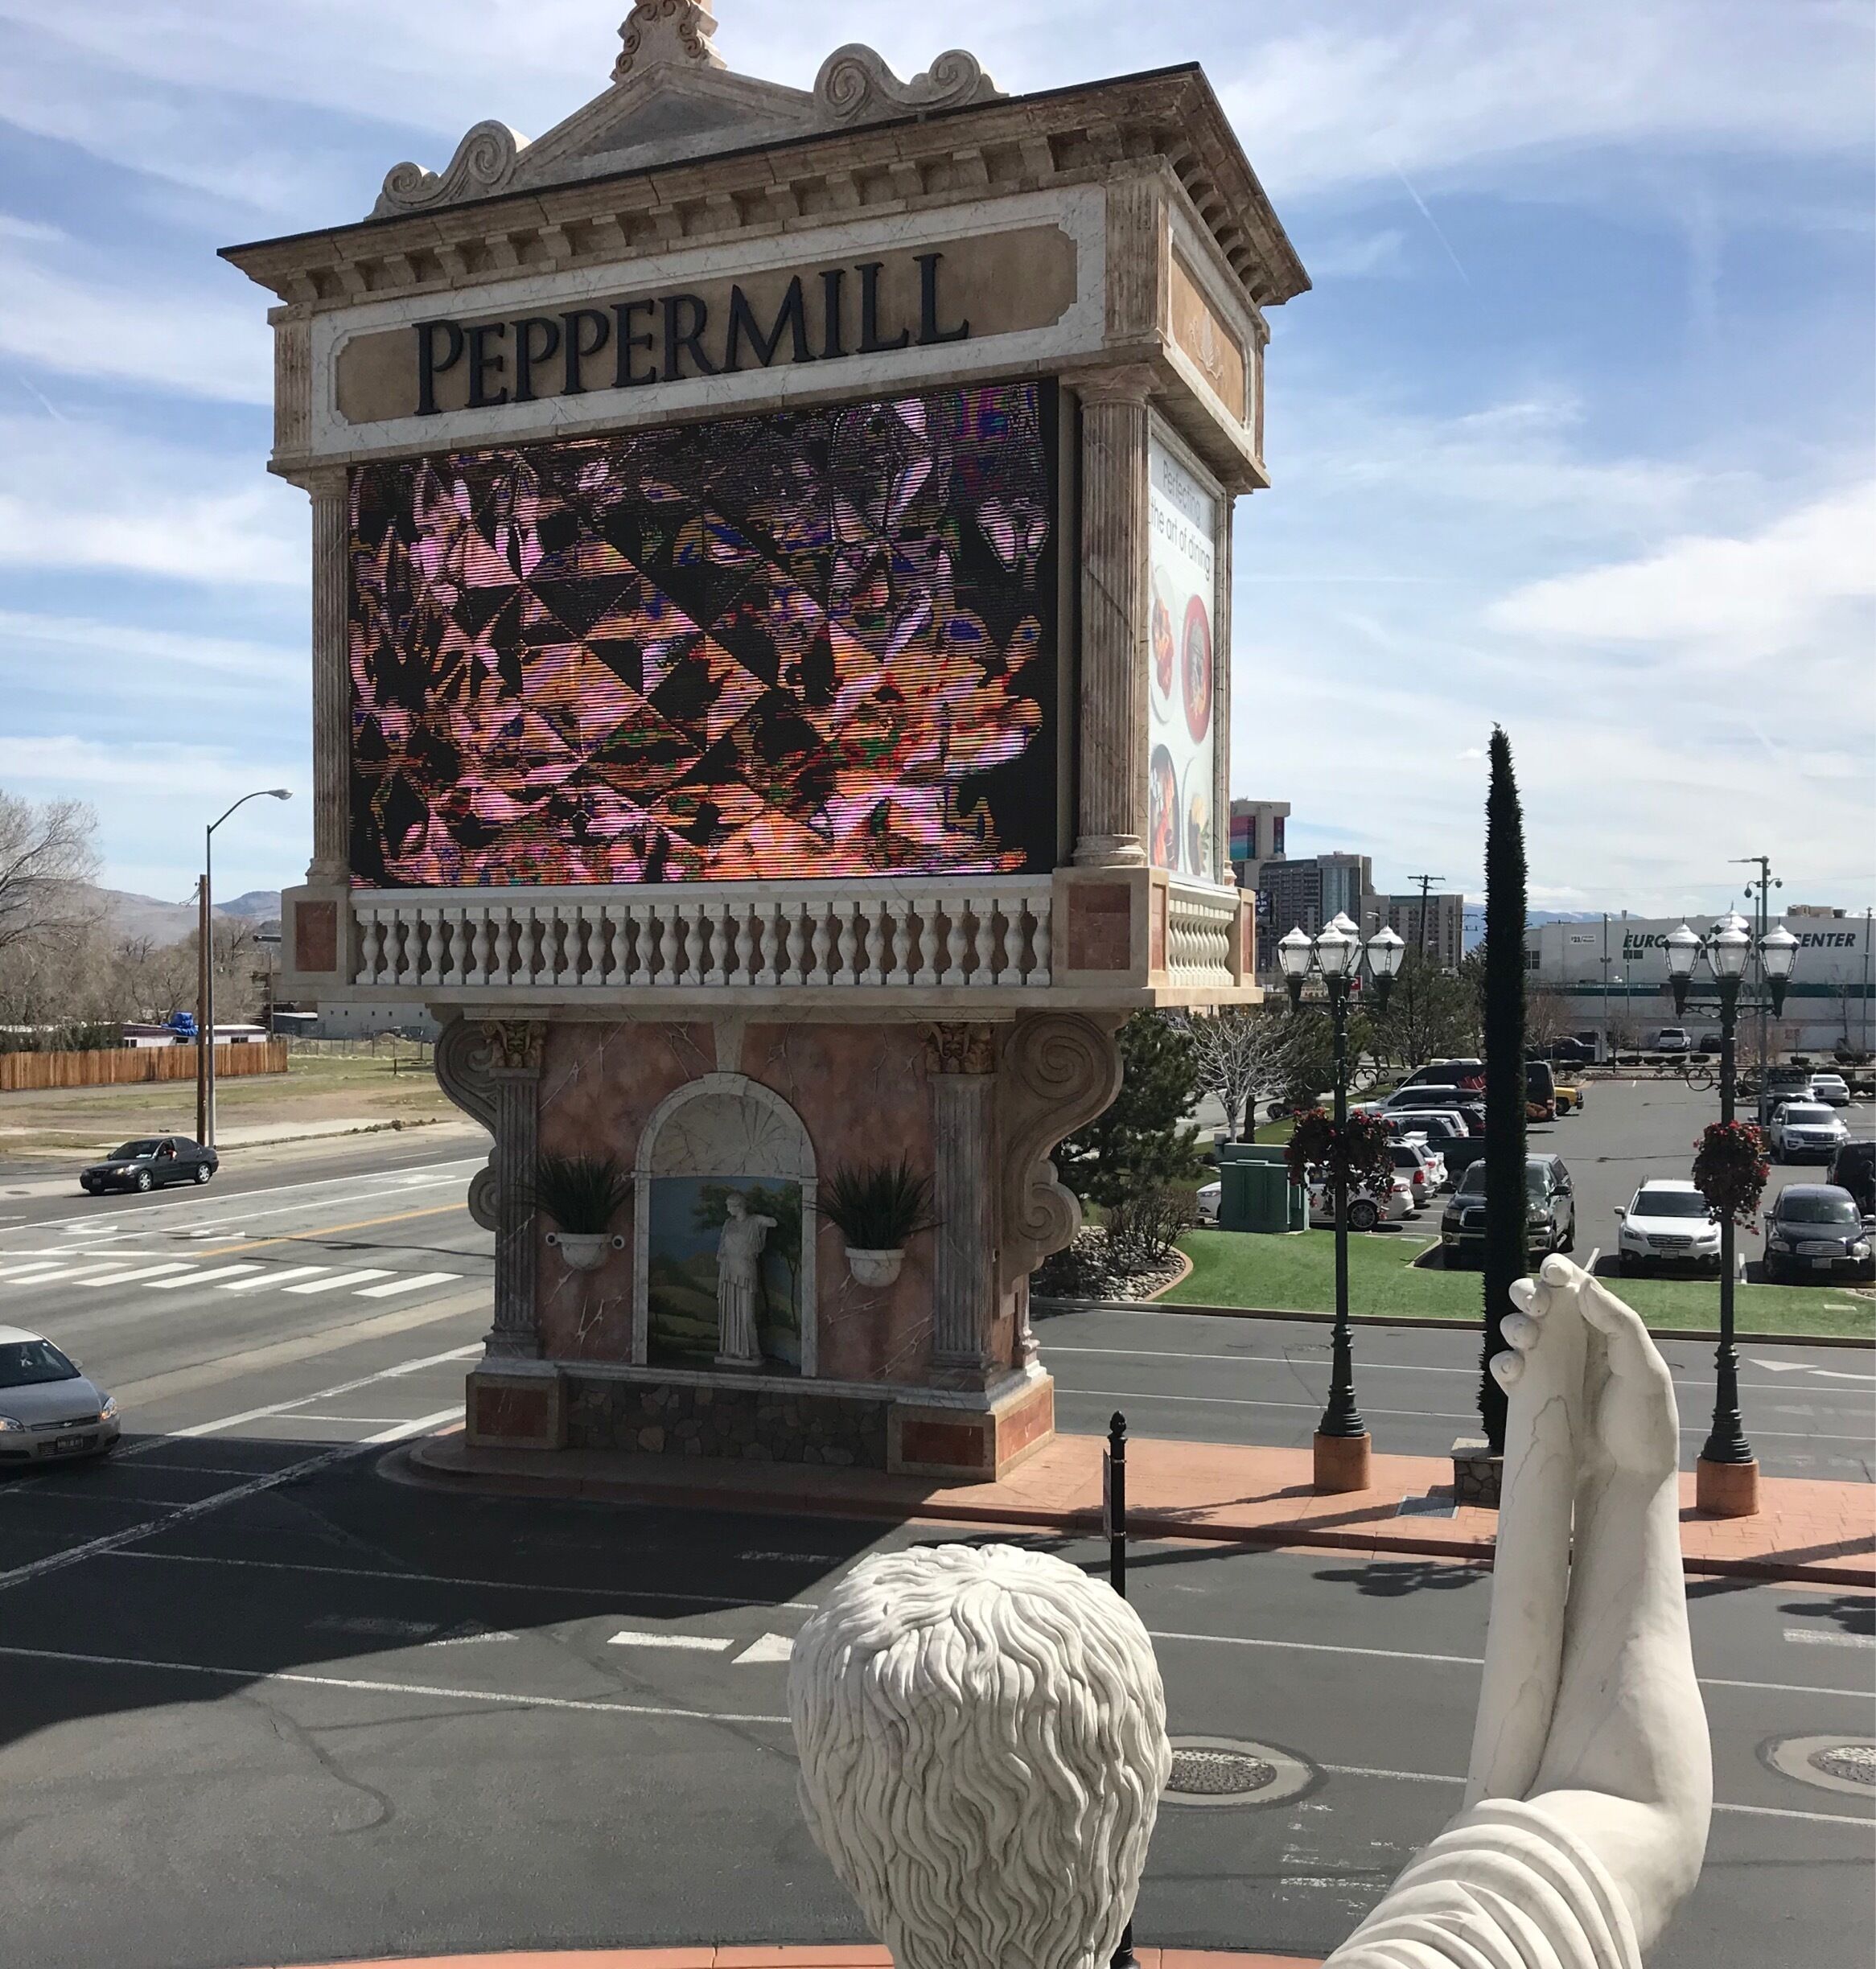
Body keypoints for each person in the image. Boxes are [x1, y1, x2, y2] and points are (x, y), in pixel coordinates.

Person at [714, 1193, 776, 1369]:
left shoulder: (753, 1222)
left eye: (729, 1205)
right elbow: (722, 1249)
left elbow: (773, 1222)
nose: (727, 1209)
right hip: (728, 1271)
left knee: (746, 1313)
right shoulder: (728, 1223)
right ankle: (731, 1348)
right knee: (730, 1311)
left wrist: (756, 1218)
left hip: (746, 1271)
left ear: (738, 1206)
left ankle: (750, 1350)